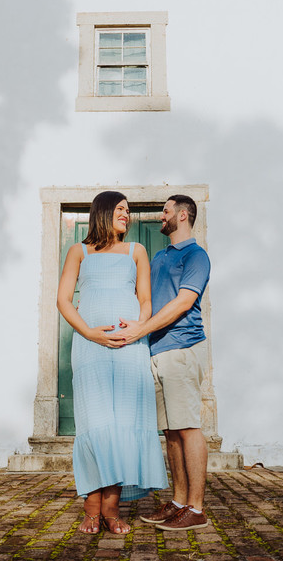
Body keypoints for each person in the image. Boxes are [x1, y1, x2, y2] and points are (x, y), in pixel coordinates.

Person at [56, 191, 167, 535]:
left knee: (124, 423)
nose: (126, 215)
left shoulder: (137, 251)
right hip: (91, 347)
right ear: (102, 212)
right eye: (120, 209)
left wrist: (138, 328)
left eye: (128, 211)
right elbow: (63, 300)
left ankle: (111, 507)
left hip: (131, 347)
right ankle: (92, 507)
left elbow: (145, 300)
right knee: (95, 422)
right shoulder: (79, 251)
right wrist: (90, 332)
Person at [110, 194, 211, 531]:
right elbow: (147, 301)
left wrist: (141, 329)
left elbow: (183, 302)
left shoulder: (196, 256)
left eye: (165, 211)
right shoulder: (159, 256)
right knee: (170, 432)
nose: (160, 216)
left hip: (181, 348)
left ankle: (196, 508)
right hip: (155, 350)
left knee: (187, 427)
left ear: (182, 215)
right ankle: (179, 502)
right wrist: (129, 321)